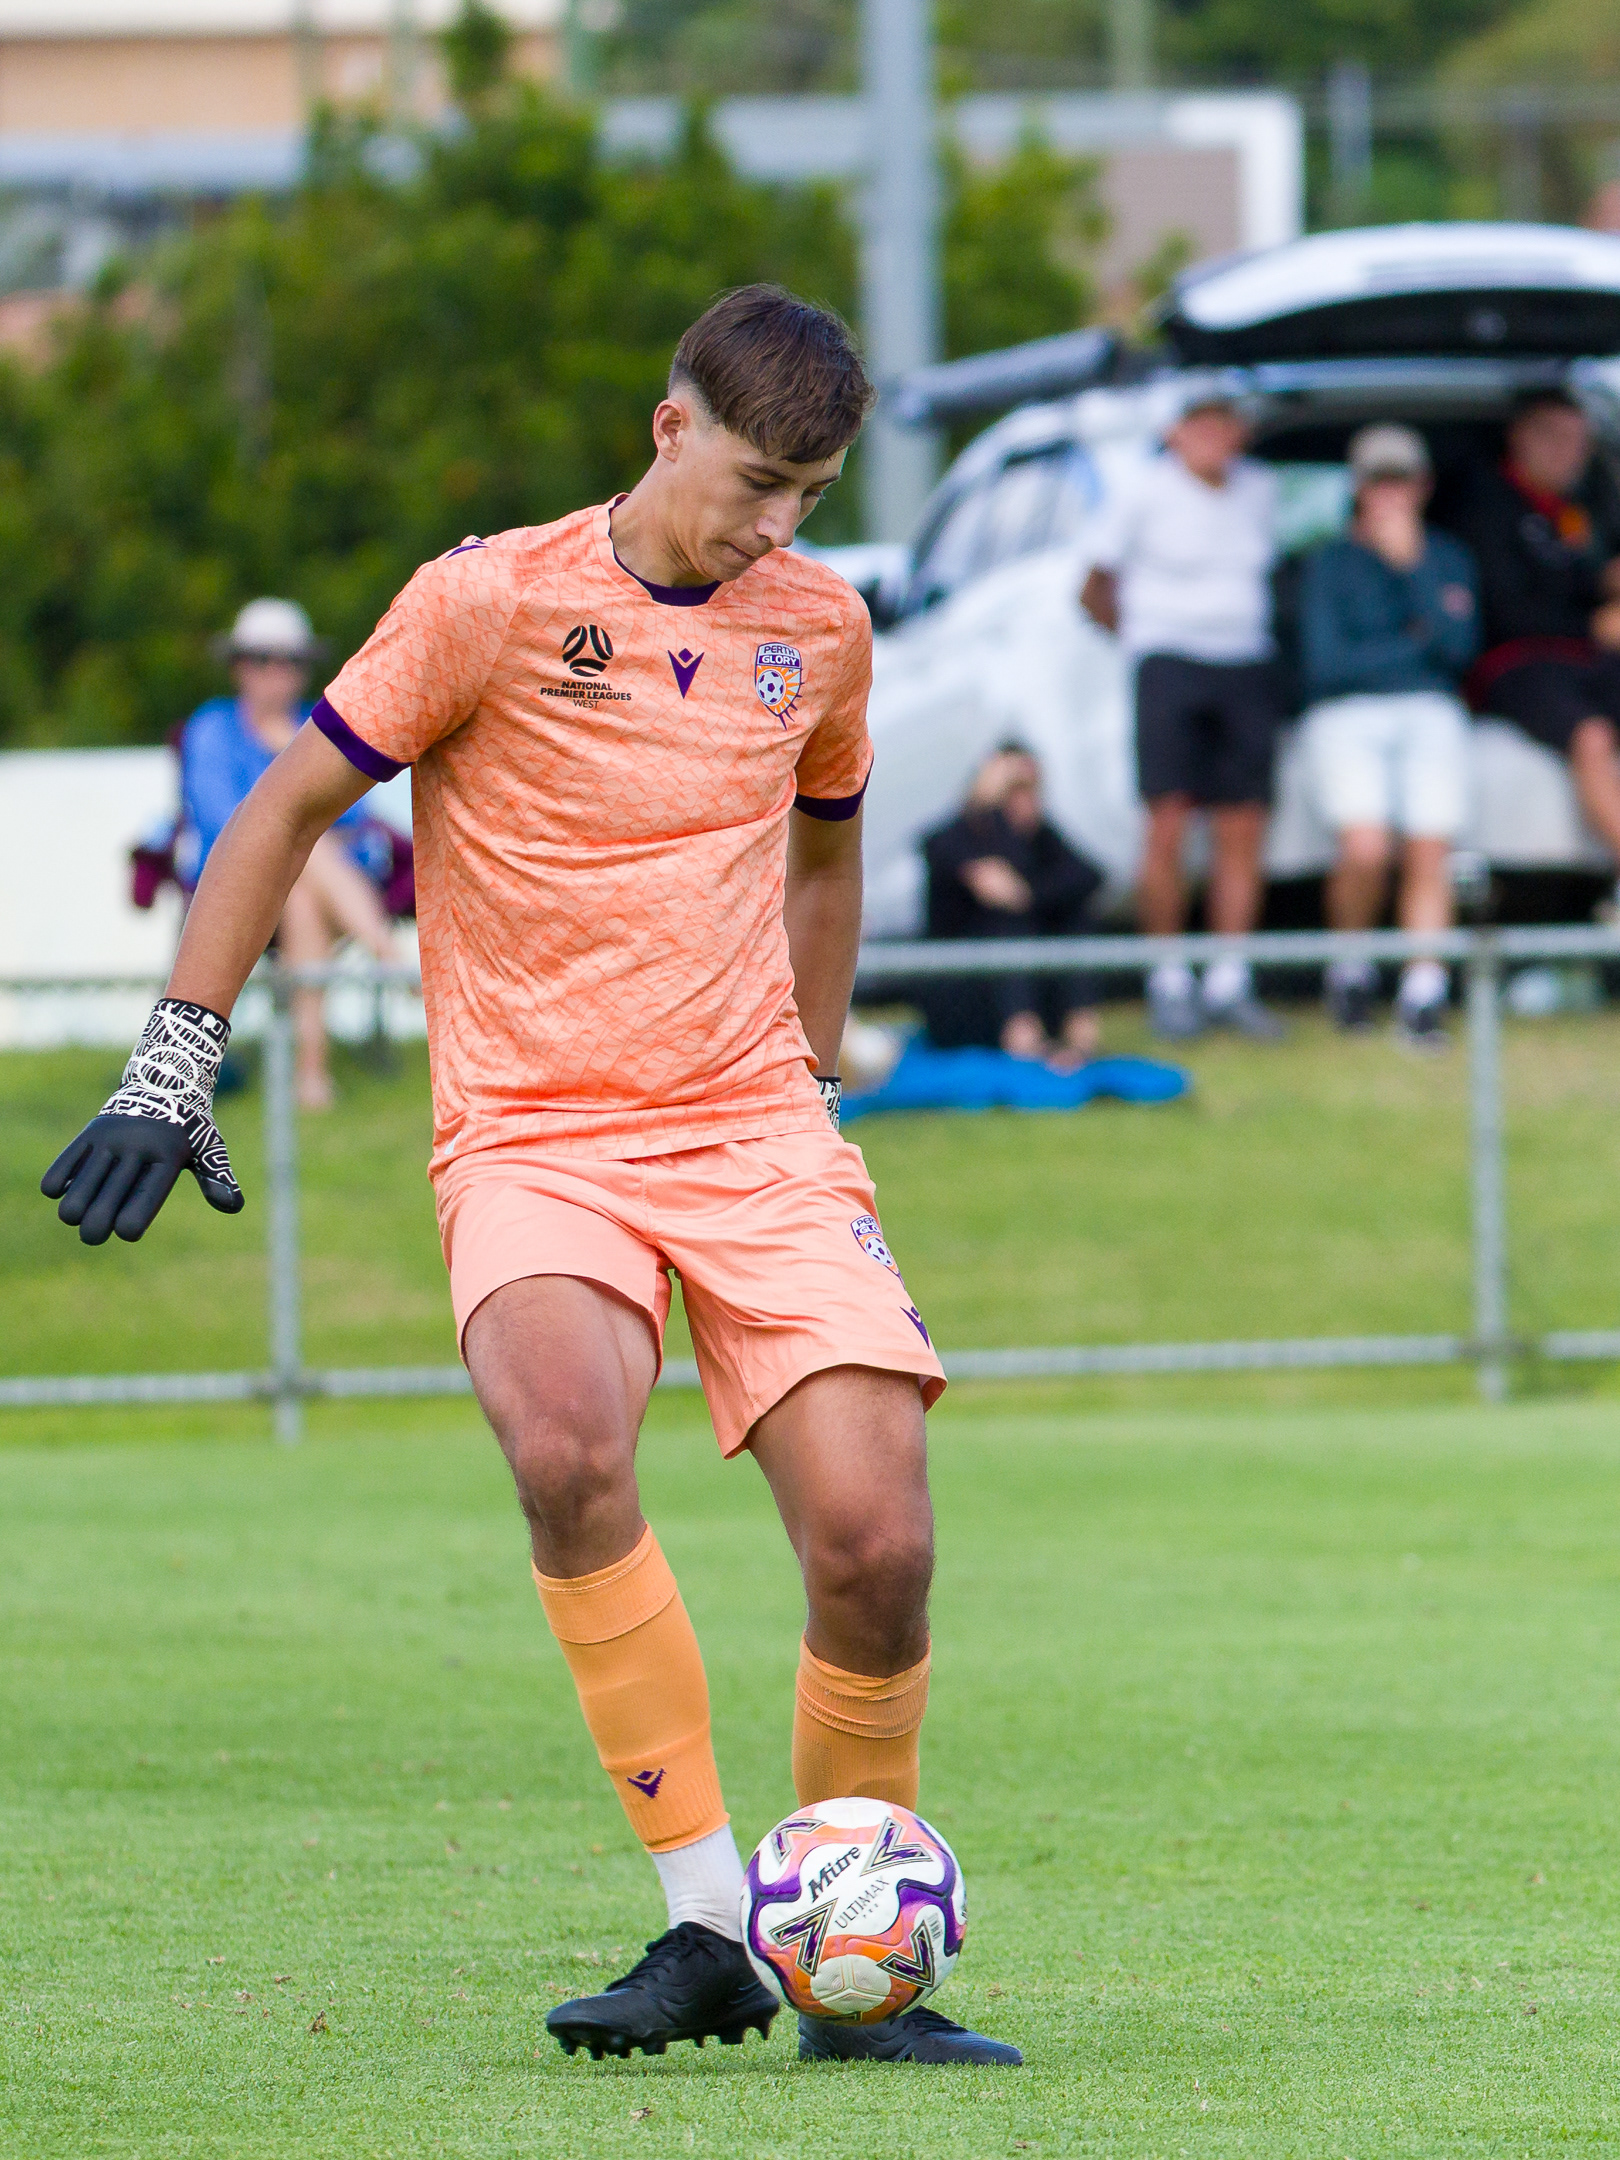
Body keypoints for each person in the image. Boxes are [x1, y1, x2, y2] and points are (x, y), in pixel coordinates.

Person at [40, 287, 1019, 2071]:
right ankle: (713, 1923)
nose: (779, 525)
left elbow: (827, 853)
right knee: (567, 1447)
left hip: (754, 1134)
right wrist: (173, 1058)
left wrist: (809, 1082)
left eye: (810, 495)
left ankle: (853, 1977)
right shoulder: (485, 600)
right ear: (670, 428)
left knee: (880, 1545)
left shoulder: (822, 628)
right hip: (537, 1130)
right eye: (758, 481)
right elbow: (278, 812)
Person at [1081, 389, 1285, 1041]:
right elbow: (1093, 585)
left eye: (1226, 422)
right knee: (1167, 821)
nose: (1215, 435)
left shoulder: (1261, 489)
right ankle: (1168, 977)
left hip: (1245, 664)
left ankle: (1229, 979)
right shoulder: (1142, 491)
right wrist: (1144, 637)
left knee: (1241, 825)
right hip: (1170, 663)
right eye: (1202, 422)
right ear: (1174, 432)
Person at [1298, 425, 1480, 1050]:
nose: (1390, 494)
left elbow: (1458, 651)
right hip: (1347, 713)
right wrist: (1413, 645)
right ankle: (1350, 971)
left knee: (1431, 846)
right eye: (1378, 481)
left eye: (1401, 480)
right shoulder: (1329, 562)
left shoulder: (1446, 558)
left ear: (1423, 487)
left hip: (1430, 710)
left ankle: (1423, 991)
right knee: (1367, 847)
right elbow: (1327, 666)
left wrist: (1413, 569)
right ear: (1358, 488)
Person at [181, 598, 397, 1109]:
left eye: (290, 661)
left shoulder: (319, 723)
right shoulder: (211, 728)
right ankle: (389, 958)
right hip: (239, 892)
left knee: (301, 884)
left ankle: (311, 1073)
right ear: (239, 667)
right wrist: (290, 762)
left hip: (313, 888)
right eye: (263, 660)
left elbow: (355, 818)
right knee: (301, 849)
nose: (277, 675)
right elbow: (221, 825)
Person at [1459, 386, 1620, 893]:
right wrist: (1593, 625)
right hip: (1515, 662)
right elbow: (1501, 610)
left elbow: (1583, 583)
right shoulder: (1484, 506)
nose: (1569, 452)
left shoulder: (1580, 512)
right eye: (1554, 437)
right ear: (1520, 438)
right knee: (1591, 736)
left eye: (1579, 441)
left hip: (1586, 660)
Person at [920, 741, 1103, 1066]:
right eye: (1013, 789)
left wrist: (1029, 894)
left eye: (1030, 789)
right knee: (1005, 923)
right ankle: (1025, 1043)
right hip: (965, 998)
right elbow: (985, 880)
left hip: (1031, 991)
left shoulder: (1041, 838)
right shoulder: (959, 838)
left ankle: (1078, 1039)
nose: (1024, 800)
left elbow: (1089, 877)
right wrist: (985, 810)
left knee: (1073, 918)